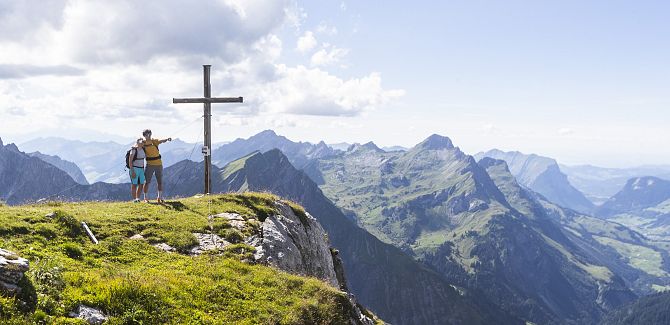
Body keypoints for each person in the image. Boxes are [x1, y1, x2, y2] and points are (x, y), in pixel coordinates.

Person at [142, 129, 171, 203]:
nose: (148, 135)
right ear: (144, 135)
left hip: (159, 164)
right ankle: (145, 198)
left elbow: (161, 141)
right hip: (150, 165)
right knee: (147, 182)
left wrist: (167, 139)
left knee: (160, 182)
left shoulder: (154, 141)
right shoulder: (143, 143)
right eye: (146, 134)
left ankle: (159, 197)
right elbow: (136, 144)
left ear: (151, 134)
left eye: (149, 133)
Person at [127, 138, 146, 203]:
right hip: (134, 168)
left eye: (143, 142)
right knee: (134, 184)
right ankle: (135, 199)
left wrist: (143, 170)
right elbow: (130, 161)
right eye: (142, 142)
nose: (143, 143)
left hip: (141, 169)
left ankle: (138, 198)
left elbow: (143, 160)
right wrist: (132, 171)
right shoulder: (133, 150)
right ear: (138, 143)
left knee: (141, 184)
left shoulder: (143, 149)